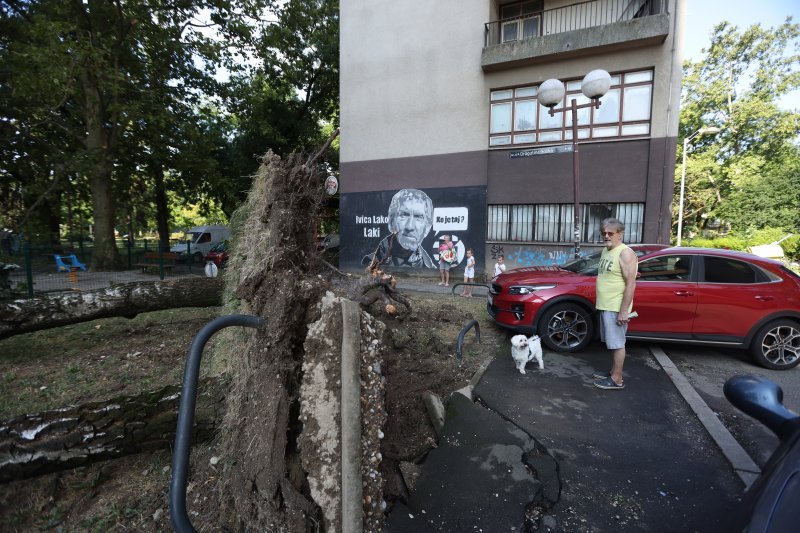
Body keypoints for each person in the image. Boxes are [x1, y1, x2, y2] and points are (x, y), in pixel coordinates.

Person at [593, 218, 638, 391]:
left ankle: (617, 379)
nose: (606, 236)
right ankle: (613, 371)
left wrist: (623, 311)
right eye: (603, 233)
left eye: (610, 233)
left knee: (618, 343)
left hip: (615, 307)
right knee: (611, 343)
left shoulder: (625, 252)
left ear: (620, 234)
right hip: (606, 305)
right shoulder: (607, 250)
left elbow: (630, 284)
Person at [365, 189, 436, 269]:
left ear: (427, 227)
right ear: (392, 221)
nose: (410, 226)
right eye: (404, 215)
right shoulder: (369, 262)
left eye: (418, 217)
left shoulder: (430, 268)